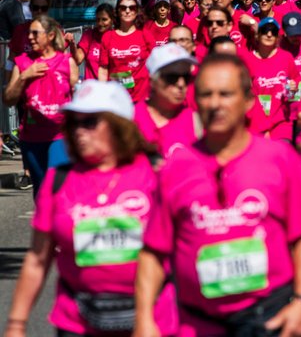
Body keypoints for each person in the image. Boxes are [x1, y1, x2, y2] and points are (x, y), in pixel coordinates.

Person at [135, 54, 301, 337]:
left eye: (226, 94)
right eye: (206, 94)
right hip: (197, 322)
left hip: (269, 317)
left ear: (247, 101)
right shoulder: (176, 167)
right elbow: (153, 253)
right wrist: (145, 318)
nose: (216, 103)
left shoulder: (280, 159)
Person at [6, 81, 177, 337]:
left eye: (90, 122)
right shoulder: (59, 180)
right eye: (74, 123)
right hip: (78, 321)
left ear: (119, 125)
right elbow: (38, 259)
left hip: (150, 320)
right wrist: (16, 325)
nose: (78, 132)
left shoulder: (156, 175)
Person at [3, 14, 79, 193]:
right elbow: (8, 99)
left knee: (58, 188)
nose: (30, 37)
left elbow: (78, 99)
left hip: (59, 136)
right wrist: (24, 77)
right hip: (32, 138)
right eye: (29, 33)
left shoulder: (66, 62)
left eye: (35, 33)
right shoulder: (22, 63)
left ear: (50, 35)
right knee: (41, 192)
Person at [134, 43, 200, 159]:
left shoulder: (196, 121)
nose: (181, 84)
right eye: (172, 77)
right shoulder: (131, 119)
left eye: (185, 77)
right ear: (152, 81)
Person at [74, 3, 116, 80]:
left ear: (112, 20)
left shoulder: (117, 37)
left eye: (104, 19)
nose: (100, 23)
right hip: (91, 88)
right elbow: (78, 59)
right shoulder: (89, 35)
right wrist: (72, 44)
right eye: (97, 20)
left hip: (111, 88)